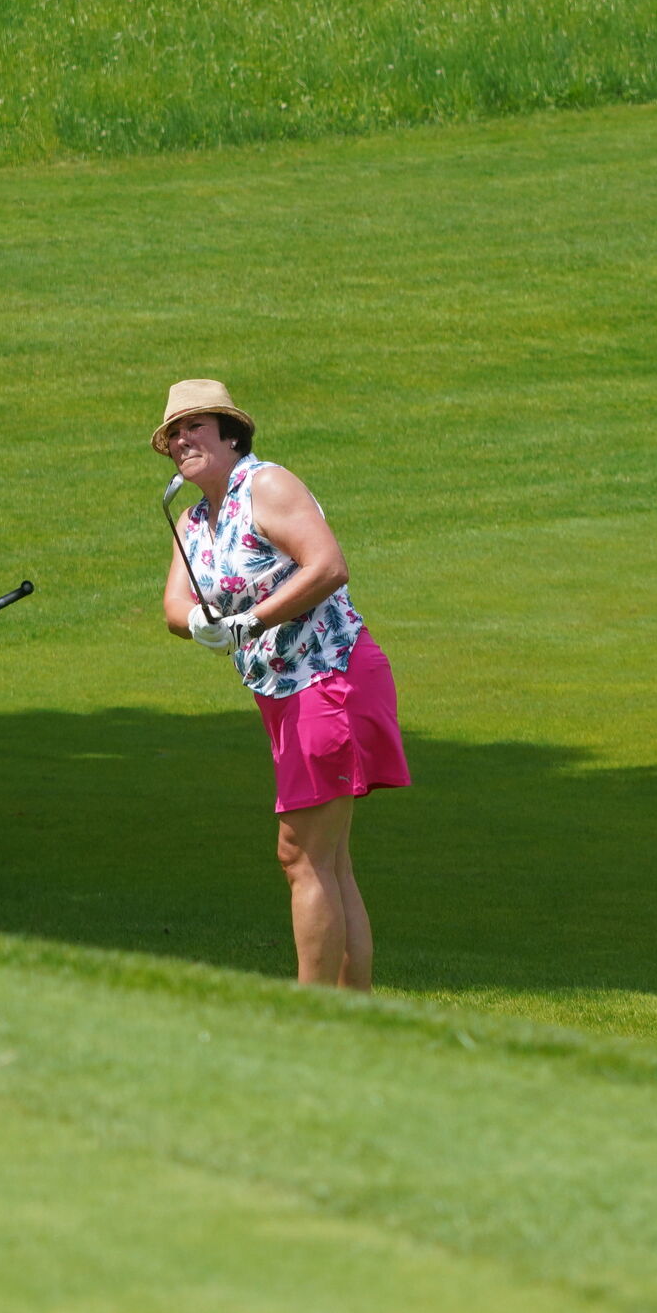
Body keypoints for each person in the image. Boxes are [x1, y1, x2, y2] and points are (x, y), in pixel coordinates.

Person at [154, 379, 409, 989]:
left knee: (301, 855)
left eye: (195, 427)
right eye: (173, 434)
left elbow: (328, 565)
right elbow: (173, 604)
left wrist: (251, 621)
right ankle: (351, 1013)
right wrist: (198, 623)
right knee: (329, 860)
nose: (182, 440)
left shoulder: (266, 485)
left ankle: (310, 1014)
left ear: (230, 434)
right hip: (282, 692)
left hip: (330, 676)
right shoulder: (193, 519)